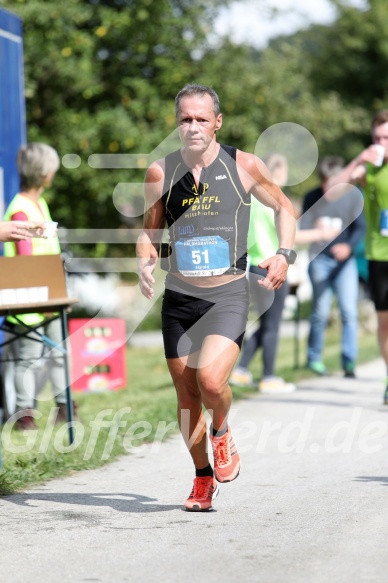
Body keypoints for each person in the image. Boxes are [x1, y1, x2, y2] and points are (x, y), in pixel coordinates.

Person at [137, 84, 296, 512]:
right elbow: (150, 232)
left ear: (217, 122)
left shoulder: (243, 165)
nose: (193, 126)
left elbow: (284, 207)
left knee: (210, 381)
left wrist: (285, 253)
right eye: (185, 119)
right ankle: (203, 478)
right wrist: (146, 258)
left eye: (201, 119)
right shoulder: (160, 172)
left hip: (226, 294)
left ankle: (222, 431)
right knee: (187, 396)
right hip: (180, 299)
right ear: (177, 122)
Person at [2, 142, 70, 430]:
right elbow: (26, 258)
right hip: (31, 297)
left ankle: (65, 407)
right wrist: (42, 302)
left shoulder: (38, 203)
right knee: (27, 357)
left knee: (59, 352)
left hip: (49, 292)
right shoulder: (20, 210)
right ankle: (22, 414)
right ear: (45, 174)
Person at [324, 110, 388, 403]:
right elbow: (333, 193)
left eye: (386, 137)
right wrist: (359, 159)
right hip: (378, 253)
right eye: (377, 137)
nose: (381, 142)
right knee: (384, 322)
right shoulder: (369, 169)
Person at [230, 154, 296, 393]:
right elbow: (287, 234)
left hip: (254, 267)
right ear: (278, 172)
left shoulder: (252, 201)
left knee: (266, 322)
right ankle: (268, 376)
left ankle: (242, 370)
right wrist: (321, 235)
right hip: (272, 266)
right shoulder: (272, 203)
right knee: (273, 325)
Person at [300, 156, 366, 377]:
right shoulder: (312, 197)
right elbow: (301, 228)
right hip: (319, 260)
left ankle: (349, 362)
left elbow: (360, 228)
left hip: (344, 263)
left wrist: (348, 247)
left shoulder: (352, 198)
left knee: (349, 311)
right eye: (326, 182)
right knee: (320, 311)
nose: (329, 187)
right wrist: (314, 226)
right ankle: (314, 359)